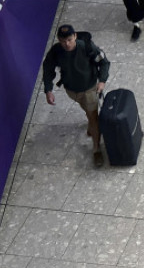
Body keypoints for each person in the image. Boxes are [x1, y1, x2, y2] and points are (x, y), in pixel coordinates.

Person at [41, 25, 110, 167]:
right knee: (88, 111)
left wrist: (102, 81)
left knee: (93, 116)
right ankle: (92, 127)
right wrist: (48, 89)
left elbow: (104, 62)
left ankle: (96, 149)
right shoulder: (56, 51)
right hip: (72, 91)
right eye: (63, 41)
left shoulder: (86, 47)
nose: (66, 44)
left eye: (69, 40)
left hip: (90, 89)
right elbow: (48, 68)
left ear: (75, 37)